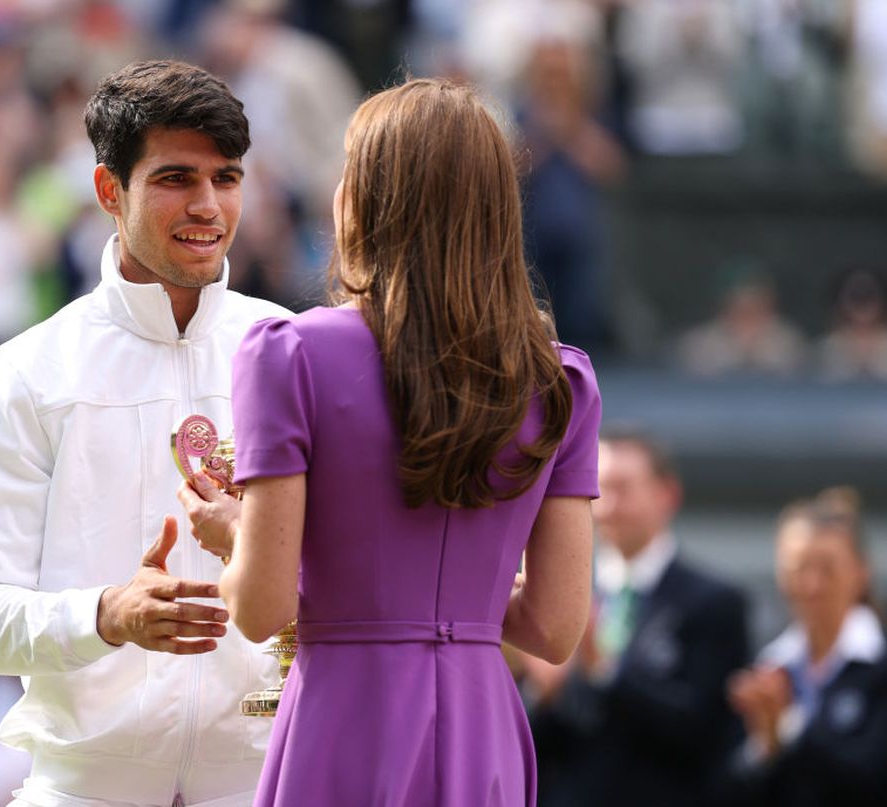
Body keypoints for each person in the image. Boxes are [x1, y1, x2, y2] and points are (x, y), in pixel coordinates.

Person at [179, 78, 602, 806]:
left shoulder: (288, 353)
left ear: (372, 198)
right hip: (484, 729)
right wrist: (458, 594)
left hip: (343, 717)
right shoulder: (560, 380)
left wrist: (236, 537)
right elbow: (555, 629)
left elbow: (260, 606)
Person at [0, 60, 289, 807]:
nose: (208, 206)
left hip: (266, 781)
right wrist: (107, 615)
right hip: (82, 787)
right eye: (175, 178)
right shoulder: (24, 374)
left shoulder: (292, 350)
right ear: (109, 190)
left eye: (226, 178)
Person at [520, 429, 749, 807]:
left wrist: (603, 671)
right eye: (598, 490)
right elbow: (543, 746)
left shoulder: (714, 603)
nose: (608, 506)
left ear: (667, 495)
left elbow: (707, 733)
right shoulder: (564, 597)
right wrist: (544, 695)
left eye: (623, 488)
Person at [725, 488, 887, 807]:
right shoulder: (769, 666)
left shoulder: (884, 665)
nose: (812, 585)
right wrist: (764, 746)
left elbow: (871, 780)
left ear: (861, 571)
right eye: (798, 568)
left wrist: (787, 732)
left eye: (827, 568)